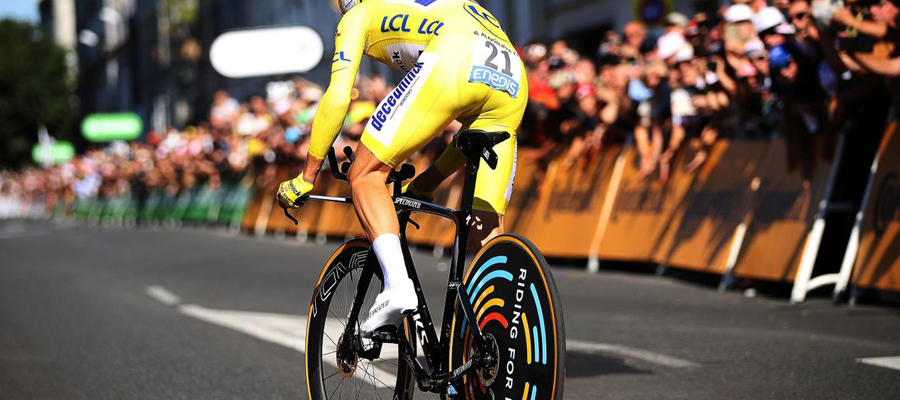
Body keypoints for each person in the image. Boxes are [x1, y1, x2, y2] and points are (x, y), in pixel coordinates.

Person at [275, 0, 528, 335]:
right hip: (512, 79)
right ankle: (501, 345)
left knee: (364, 173)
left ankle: (396, 286)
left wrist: (308, 175)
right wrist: (425, 182)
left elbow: (338, 96)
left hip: (454, 58)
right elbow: (467, 139)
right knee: (485, 232)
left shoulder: (358, 14)